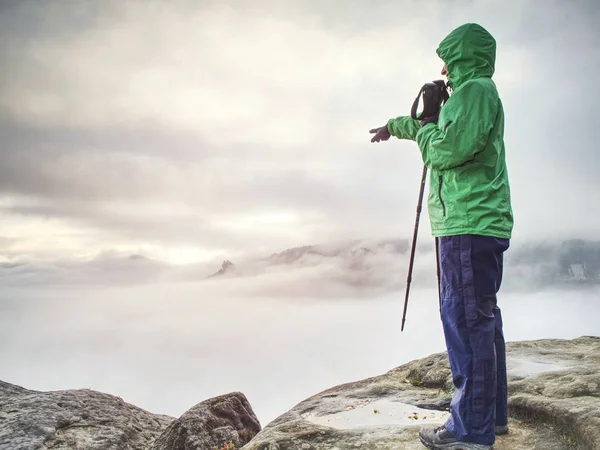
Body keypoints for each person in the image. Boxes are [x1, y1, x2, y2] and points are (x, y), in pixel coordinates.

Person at [369, 23, 514, 449]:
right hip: (473, 223)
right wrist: (399, 125)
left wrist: (430, 125)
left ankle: (470, 429)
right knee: (481, 320)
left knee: (467, 324)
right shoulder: (472, 93)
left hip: (467, 224)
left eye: (447, 60)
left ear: (462, 56)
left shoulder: (475, 93)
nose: (443, 70)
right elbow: (437, 133)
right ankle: (490, 416)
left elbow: (445, 149)